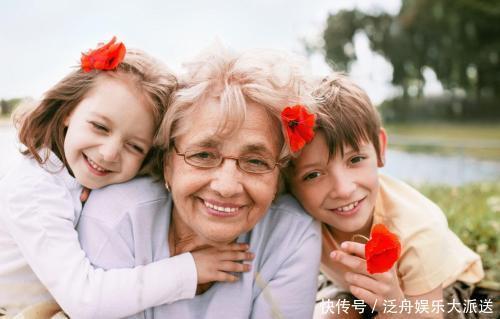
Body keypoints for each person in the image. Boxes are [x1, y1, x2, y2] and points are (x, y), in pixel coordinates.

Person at [0, 38, 251, 318]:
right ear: (69, 110)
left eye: (134, 146)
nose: (108, 154)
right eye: (99, 126)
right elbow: (85, 300)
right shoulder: (34, 189)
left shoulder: (76, 175)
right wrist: (190, 269)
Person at [77, 44, 322, 319]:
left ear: (278, 174)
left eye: (255, 162)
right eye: (203, 155)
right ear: (168, 162)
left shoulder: (292, 234)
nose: (227, 186)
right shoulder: (117, 216)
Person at [287, 74, 485, 318]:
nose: (343, 189)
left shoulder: (418, 230)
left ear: (379, 149)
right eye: (314, 174)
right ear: (287, 182)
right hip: (352, 285)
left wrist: (393, 306)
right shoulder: (292, 213)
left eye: (355, 160)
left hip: (436, 292)